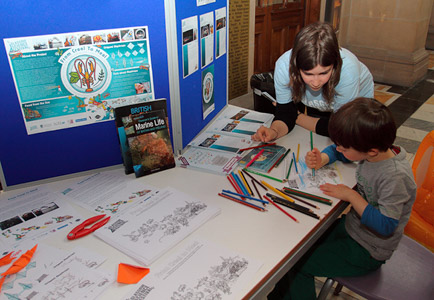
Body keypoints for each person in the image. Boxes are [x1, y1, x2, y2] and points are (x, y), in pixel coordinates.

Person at [267, 98, 417, 300]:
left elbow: (386, 225)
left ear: (371, 150)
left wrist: (351, 195)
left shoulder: (395, 177)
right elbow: (343, 155)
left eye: (344, 147)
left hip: (368, 250)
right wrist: (324, 158)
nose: (339, 149)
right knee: (293, 245)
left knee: (297, 263)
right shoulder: (374, 150)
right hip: (352, 229)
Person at [252, 22, 374, 142]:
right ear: (296, 67)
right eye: (308, 74)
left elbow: (342, 128)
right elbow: (285, 113)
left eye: (324, 73)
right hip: (321, 104)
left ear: (335, 66)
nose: (316, 83)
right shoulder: (284, 67)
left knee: (352, 136)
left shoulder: (348, 71)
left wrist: (298, 116)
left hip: (354, 111)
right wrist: (274, 132)